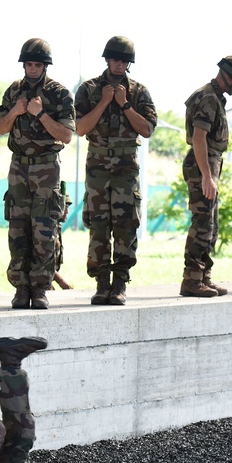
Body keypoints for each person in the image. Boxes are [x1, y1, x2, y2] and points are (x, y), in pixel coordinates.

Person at [75, 36, 157, 306]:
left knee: (125, 227)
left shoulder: (138, 92)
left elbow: (146, 130)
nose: (120, 64)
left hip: (125, 169)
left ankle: (119, 283)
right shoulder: (88, 90)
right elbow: (79, 128)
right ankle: (101, 284)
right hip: (97, 166)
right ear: (107, 60)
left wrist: (124, 104)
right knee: (98, 226)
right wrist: (103, 102)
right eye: (116, 59)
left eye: (124, 61)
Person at [0, 38, 75, 310]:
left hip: (46, 165)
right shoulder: (13, 92)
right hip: (18, 165)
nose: (32, 69)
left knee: (44, 228)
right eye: (28, 64)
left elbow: (66, 135)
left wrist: (40, 114)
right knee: (18, 227)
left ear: (45, 66)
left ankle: (41, 287)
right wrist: (16, 110)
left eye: (37, 65)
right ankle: (21, 287)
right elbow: (1, 127)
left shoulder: (59, 93)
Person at [179, 56, 232, 298]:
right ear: (226, 74)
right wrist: (207, 177)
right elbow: (199, 138)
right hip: (203, 162)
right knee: (203, 224)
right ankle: (192, 279)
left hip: (208, 162)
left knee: (211, 225)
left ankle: (203, 277)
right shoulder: (209, 97)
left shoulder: (214, 97)